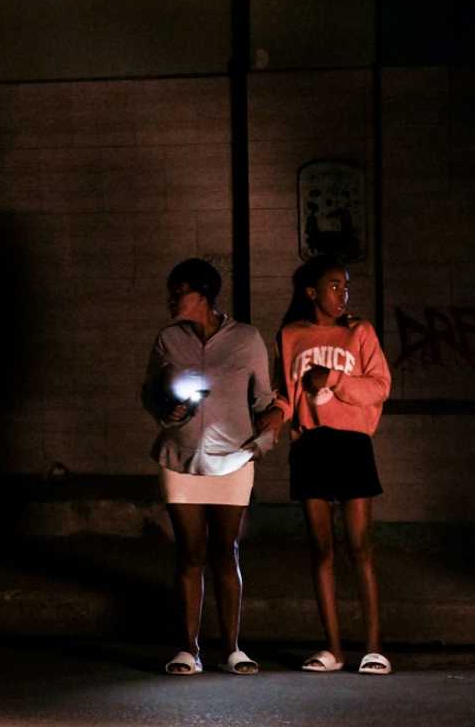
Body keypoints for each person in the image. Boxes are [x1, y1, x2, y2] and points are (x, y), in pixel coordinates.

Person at [256, 255, 392, 675]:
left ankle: (373, 648)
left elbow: (380, 386)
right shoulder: (291, 335)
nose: (342, 294)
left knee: (360, 547)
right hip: (310, 446)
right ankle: (332, 648)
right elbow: (285, 392)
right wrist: (275, 419)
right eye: (334, 286)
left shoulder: (360, 332)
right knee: (321, 549)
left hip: (351, 444)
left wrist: (332, 379)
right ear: (311, 292)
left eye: (345, 287)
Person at [142, 258, 276, 676]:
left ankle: (234, 648)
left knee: (226, 551)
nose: (171, 299)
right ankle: (188, 648)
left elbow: (266, 400)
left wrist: (264, 438)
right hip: (180, 460)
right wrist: (170, 408)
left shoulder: (246, 339)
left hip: (233, 459)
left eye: (178, 291)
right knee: (190, 552)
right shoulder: (167, 340)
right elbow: (149, 393)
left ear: (202, 295)